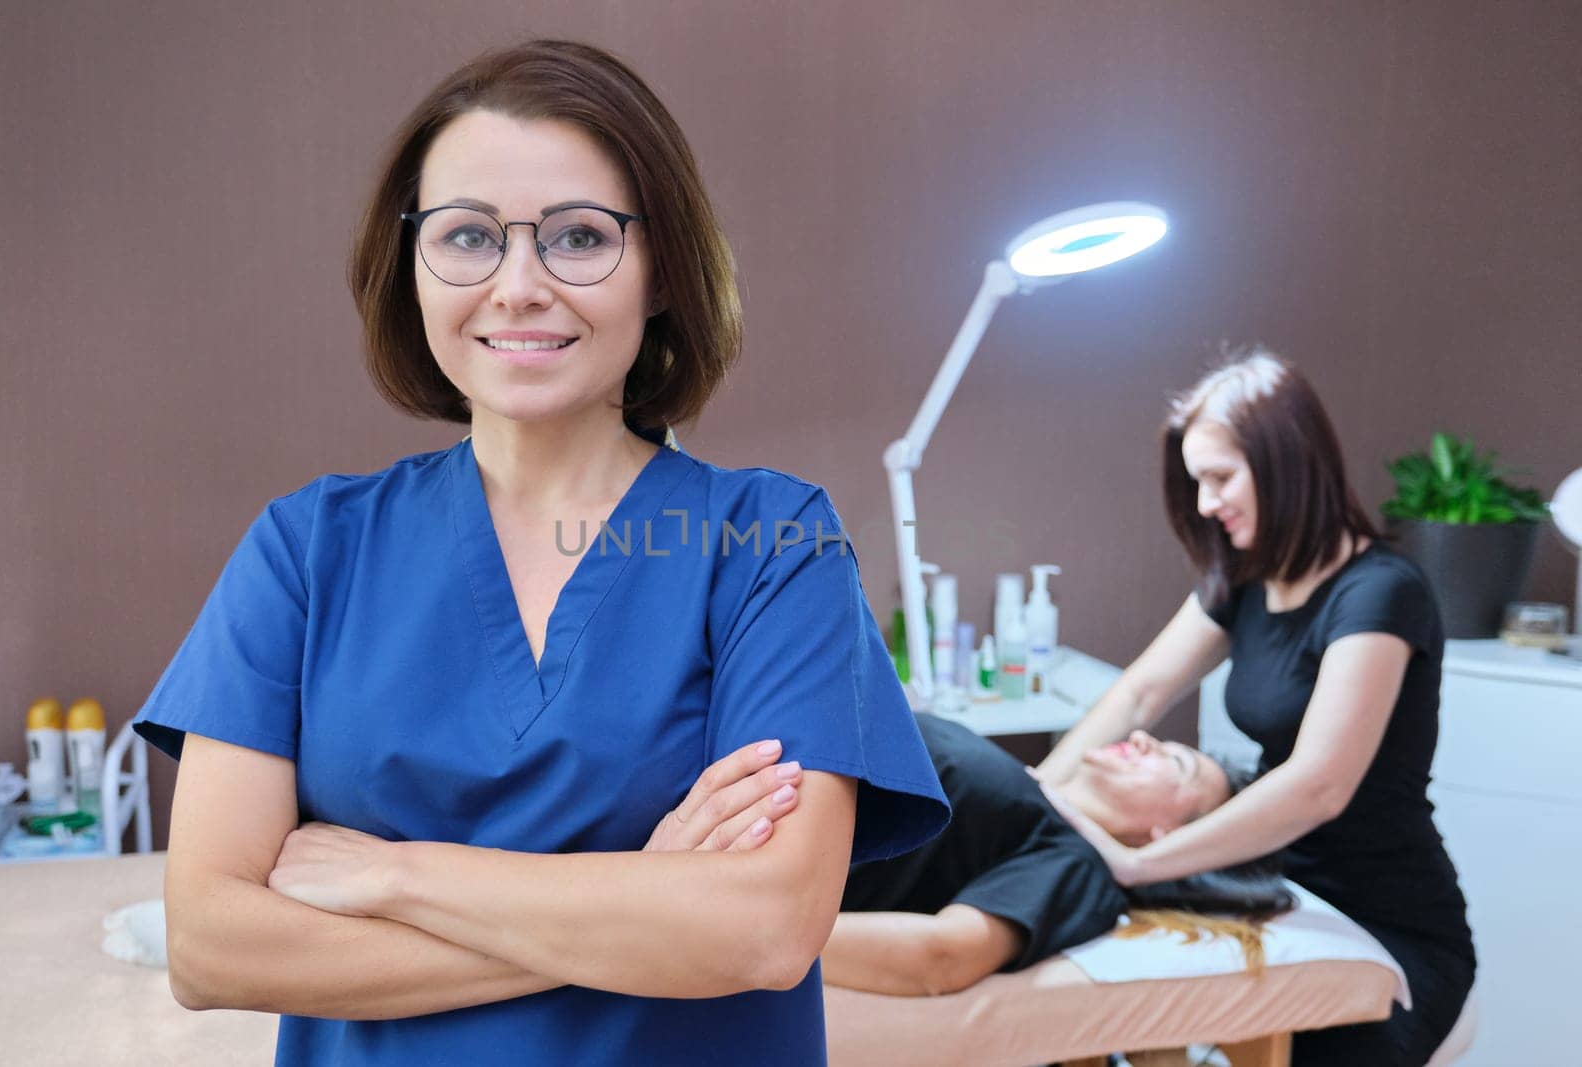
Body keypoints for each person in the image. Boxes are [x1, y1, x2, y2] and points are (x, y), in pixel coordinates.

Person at [132, 40, 949, 1066]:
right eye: (469, 235)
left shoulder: (769, 542)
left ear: (661, 271)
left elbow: (764, 927)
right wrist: (645, 896)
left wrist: (401, 876)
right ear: (413, 268)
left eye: (577, 237)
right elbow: (211, 945)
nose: (519, 286)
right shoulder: (307, 549)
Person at [1033, 349, 1474, 1066]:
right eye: (1198, 481)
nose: (1206, 503)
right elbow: (1140, 693)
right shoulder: (1244, 580)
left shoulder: (1380, 593)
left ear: (1286, 463)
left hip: (1388, 917)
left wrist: (1141, 863)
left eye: (1219, 477)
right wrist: (1036, 794)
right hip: (1272, 889)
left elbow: (1318, 784)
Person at [821, 711, 1286, 997]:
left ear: (1165, 837)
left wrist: (768, 931)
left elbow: (945, 956)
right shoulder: (1036, 791)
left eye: (1174, 762)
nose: (1145, 739)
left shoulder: (1077, 863)